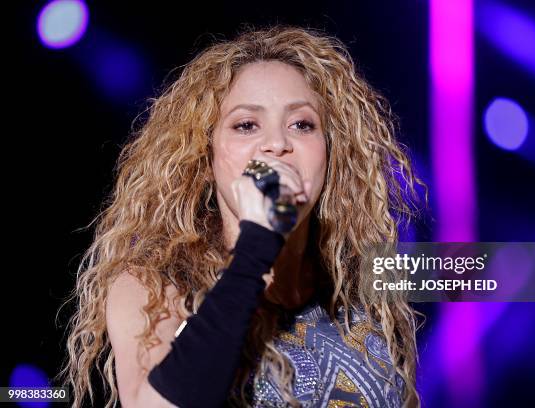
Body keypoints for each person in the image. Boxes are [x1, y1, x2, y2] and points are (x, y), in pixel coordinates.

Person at [59, 24, 427, 408]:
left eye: (302, 124)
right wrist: (258, 243)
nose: (276, 144)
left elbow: (491, 270)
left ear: (330, 153)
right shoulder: (154, 287)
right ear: (207, 158)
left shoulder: (369, 274)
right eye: (246, 125)